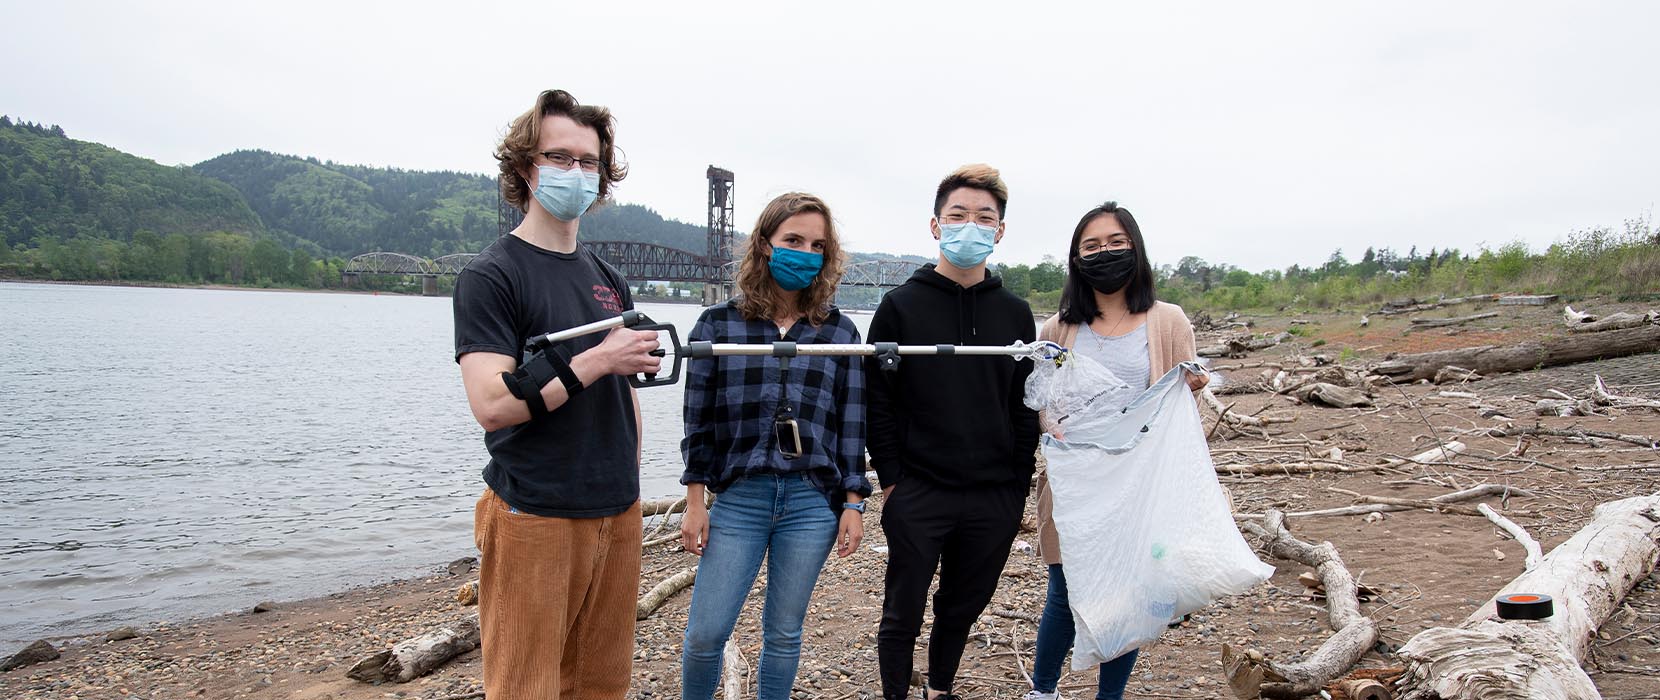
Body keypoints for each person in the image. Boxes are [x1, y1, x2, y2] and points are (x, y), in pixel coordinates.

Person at [452, 89, 661, 700]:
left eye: (588, 162)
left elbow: (625, 391)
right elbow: (490, 403)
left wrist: (631, 477)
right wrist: (596, 359)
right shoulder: (492, 275)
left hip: (616, 510)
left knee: (600, 684)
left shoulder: (605, 278)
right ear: (525, 168)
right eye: (560, 158)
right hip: (534, 513)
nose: (576, 173)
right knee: (526, 687)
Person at [677, 192, 872, 700]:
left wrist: (853, 503)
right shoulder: (717, 325)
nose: (804, 252)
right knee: (705, 634)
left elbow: (851, 425)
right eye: (793, 240)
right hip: (740, 497)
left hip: (811, 502)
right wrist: (695, 501)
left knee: (783, 633)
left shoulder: (840, 330)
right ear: (765, 245)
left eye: (816, 245)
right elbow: (697, 422)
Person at [867, 164, 1040, 700]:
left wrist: (1016, 479)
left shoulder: (1015, 314)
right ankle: (896, 691)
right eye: (958, 215)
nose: (971, 226)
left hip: (994, 492)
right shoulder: (900, 306)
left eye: (984, 218)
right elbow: (878, 399)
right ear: (936, 226)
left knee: (963, 604)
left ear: (1000, 231)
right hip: (919, 487)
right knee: (904, 607)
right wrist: (892, 478)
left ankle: (940, 687)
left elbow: (1024, 400)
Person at [1023, 202, 1208, 700]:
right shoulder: (1058, 328)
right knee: (1064, 590)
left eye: (1115, 243)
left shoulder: (1167, 321)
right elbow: (1043, 399)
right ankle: (1043, 690)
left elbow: (1184, 401)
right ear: (1076, 258)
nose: (1104, 253)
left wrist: (1191, 387)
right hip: (1074, 480)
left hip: (1140, 482)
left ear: (1135, 249)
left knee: (1130, 592)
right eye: (1092, 246)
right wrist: (1050, 426)